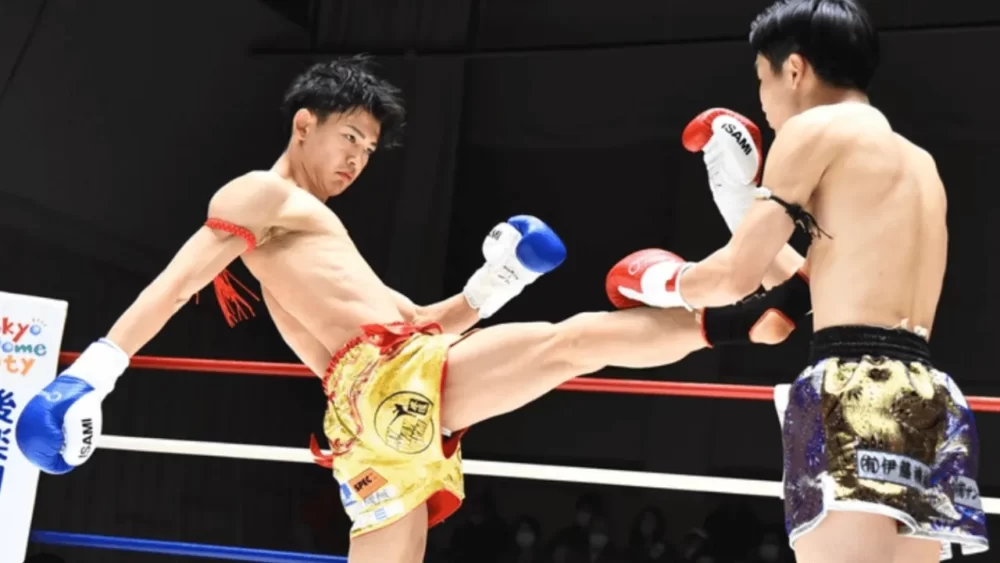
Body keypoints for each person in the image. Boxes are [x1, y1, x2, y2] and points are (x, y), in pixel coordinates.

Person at [15, 56, 801, 563]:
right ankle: (739, 310)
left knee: (571, 344)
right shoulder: (263, 194)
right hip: (384, 388)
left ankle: (741, 311)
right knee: (576, 342)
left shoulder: (314, 230)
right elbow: (179, 279)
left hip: (372, 404)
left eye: (368, 149)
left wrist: (493, 284)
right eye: (348, 138)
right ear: (303, 124)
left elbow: (420, 321)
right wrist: (94, 372)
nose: (357, 160)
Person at [614, 1, 989, 561]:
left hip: (855, 390)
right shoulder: (919, 163)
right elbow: (825, 286)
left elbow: (735, 276)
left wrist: (662, 282)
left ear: (794, 70)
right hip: (927, 393)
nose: (762, 102)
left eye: (761, 80)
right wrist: (741, 204)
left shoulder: (812, 129)